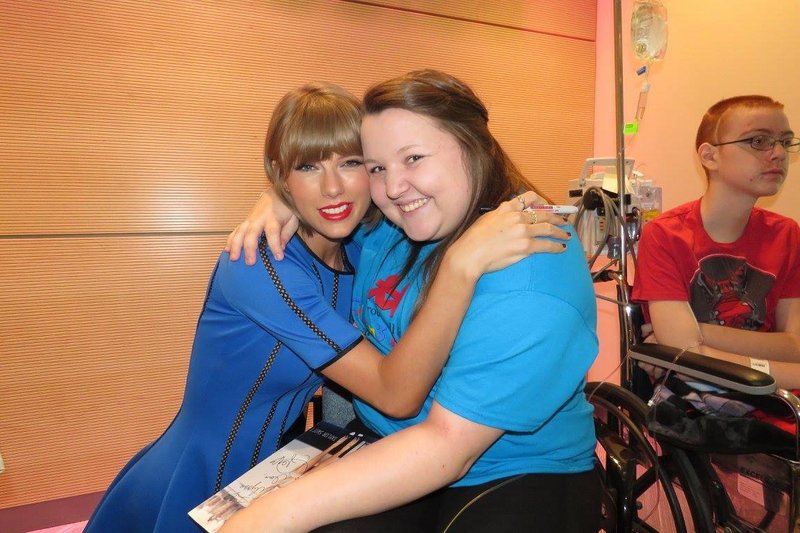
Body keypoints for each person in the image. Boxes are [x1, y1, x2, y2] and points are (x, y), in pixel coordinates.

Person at [84, 82, 568, 533]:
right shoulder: (260, 266)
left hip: (282, 467)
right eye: (309, 166)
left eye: (353, 163)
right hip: (201, 475)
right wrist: (459, 268)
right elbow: (394, 394)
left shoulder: (364, 248)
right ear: (281, 175)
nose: (333, 188)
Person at [222, 70, 600, 532]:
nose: (393, 187)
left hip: (514, 469)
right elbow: (336, 201)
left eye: (414, 158)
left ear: (475, 146)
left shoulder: (533, 273)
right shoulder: (393, 226)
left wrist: (270, 516)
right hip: (386, 438)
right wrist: (281, 199)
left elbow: (447, 447)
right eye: (377, 167)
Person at [633, 95, 800, 389]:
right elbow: (686, 357)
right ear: (710, 156)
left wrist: (698, 335)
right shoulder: (665, 235)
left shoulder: (787, 234)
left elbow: (796, 346)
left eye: (785, 142)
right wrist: (784, 369)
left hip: (778, 409)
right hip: (694, 415)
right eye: (758, 141)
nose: (778, 154)